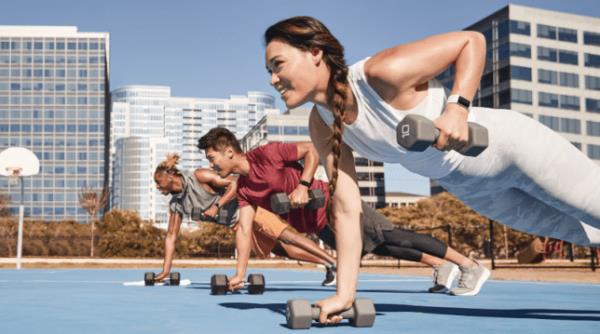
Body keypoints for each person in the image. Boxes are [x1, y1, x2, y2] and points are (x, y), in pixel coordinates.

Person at [263, 16, 600, 322]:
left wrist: (457, 108)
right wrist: (345, 295)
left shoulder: (381, 73)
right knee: (586, 236)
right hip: (469, 185)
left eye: (278, 65)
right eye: (269, 72)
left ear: (315, 52)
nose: (274, 79)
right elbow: (348, 210)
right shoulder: (321, 124)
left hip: (513, 149)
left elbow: (471, 42)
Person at [197, 128, 489, 297]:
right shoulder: (244, 188)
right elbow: (245, 230)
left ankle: (469, 264)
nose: (212, 165)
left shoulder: (267, 153)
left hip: (332, 201)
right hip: (319, 225)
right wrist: (240, 273)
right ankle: (440, 265)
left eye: (212, 158)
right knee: (384, 246)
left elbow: (311, 150)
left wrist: (303, 184)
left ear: (229, 152)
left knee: (390, 234)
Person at [153, 153, 337, 286]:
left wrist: (217, 205)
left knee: (286, 236)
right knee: (284, 251)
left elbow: (234, 182)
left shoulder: (198, 176)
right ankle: (329, 263)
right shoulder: (176, 204)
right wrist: (166, 270)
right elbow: (171, 237)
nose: (157, 187)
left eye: (158, 182)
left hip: (251, 207)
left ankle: (338, 264)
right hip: (238, 225)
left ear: (170, 176)